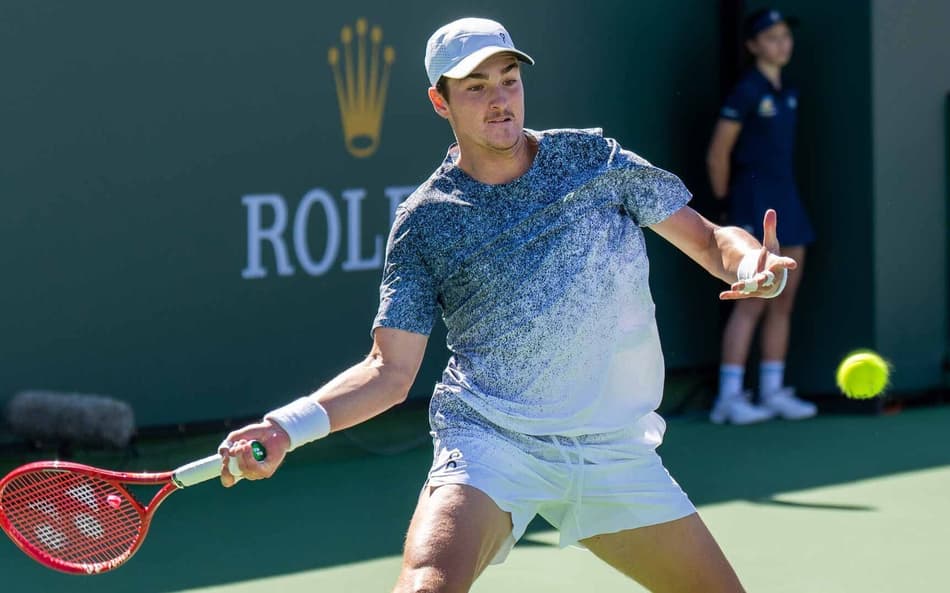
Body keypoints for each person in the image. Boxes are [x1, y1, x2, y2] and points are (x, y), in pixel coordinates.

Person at [219, 17, 797, 593]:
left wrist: (752, 265)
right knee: (427, 585)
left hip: (612, 448)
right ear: (439, 102)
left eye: (509, 79)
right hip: (492, 440)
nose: (500, 102)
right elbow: (388, 371)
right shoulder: (427, 221)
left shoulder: (594, 160)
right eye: (475, 87)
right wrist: (284, 428)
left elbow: (709, 239)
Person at [706, 8, 817, 425]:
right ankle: (729, 398)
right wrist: (724, 206)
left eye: (785, 35)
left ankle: (772, 391)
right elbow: (718, 152)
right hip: (751, 204)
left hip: (788, 199)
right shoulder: (747, 91)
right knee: (751, 302)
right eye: (771, 37)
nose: (781, 43)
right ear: (753, 46)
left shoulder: (788, 90)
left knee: (783, 300)